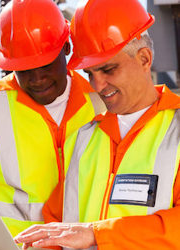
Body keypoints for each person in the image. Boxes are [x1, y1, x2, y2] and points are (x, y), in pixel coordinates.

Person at [0, 0, 105, 249]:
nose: (37, 79)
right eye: (24, 69)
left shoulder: (102, 105)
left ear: (66, 47)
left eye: (44, 64)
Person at [14, 0, 180, 249]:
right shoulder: (83, 139)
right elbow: (56, 224)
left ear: (144, 59)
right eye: (90, 74)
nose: (97, 85)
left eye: (108, 69)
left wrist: (97, 234)